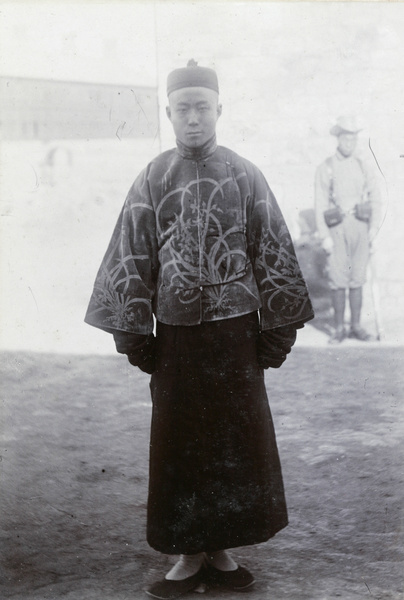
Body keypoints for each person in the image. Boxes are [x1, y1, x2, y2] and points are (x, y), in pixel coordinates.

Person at [85, 60, 314, 599]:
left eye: (202, 108)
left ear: (219, 111)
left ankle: (224, 550)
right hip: (178, 338)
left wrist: (275, 336)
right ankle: (189, 554)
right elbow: (131, 254)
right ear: (168, 113)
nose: (193, 119)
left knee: (236, 440)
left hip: (236, 335)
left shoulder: (244, 174)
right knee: (181, 443)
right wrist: (135, 337)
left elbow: (273, 249)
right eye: (182, 109)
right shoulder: (153, 176)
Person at [314, 116, 381, 344]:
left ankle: (356, 327)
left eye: (353, 137)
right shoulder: (326, 167)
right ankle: (339, 329)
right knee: (338, 279)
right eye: (345, 137)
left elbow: (376, 198)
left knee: (357, 278)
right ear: (338, 138)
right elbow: (320, 203)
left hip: (360, 228)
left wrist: (373, 229)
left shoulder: (363, 165)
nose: (349, 142)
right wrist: (324, 236)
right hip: (336, 230)